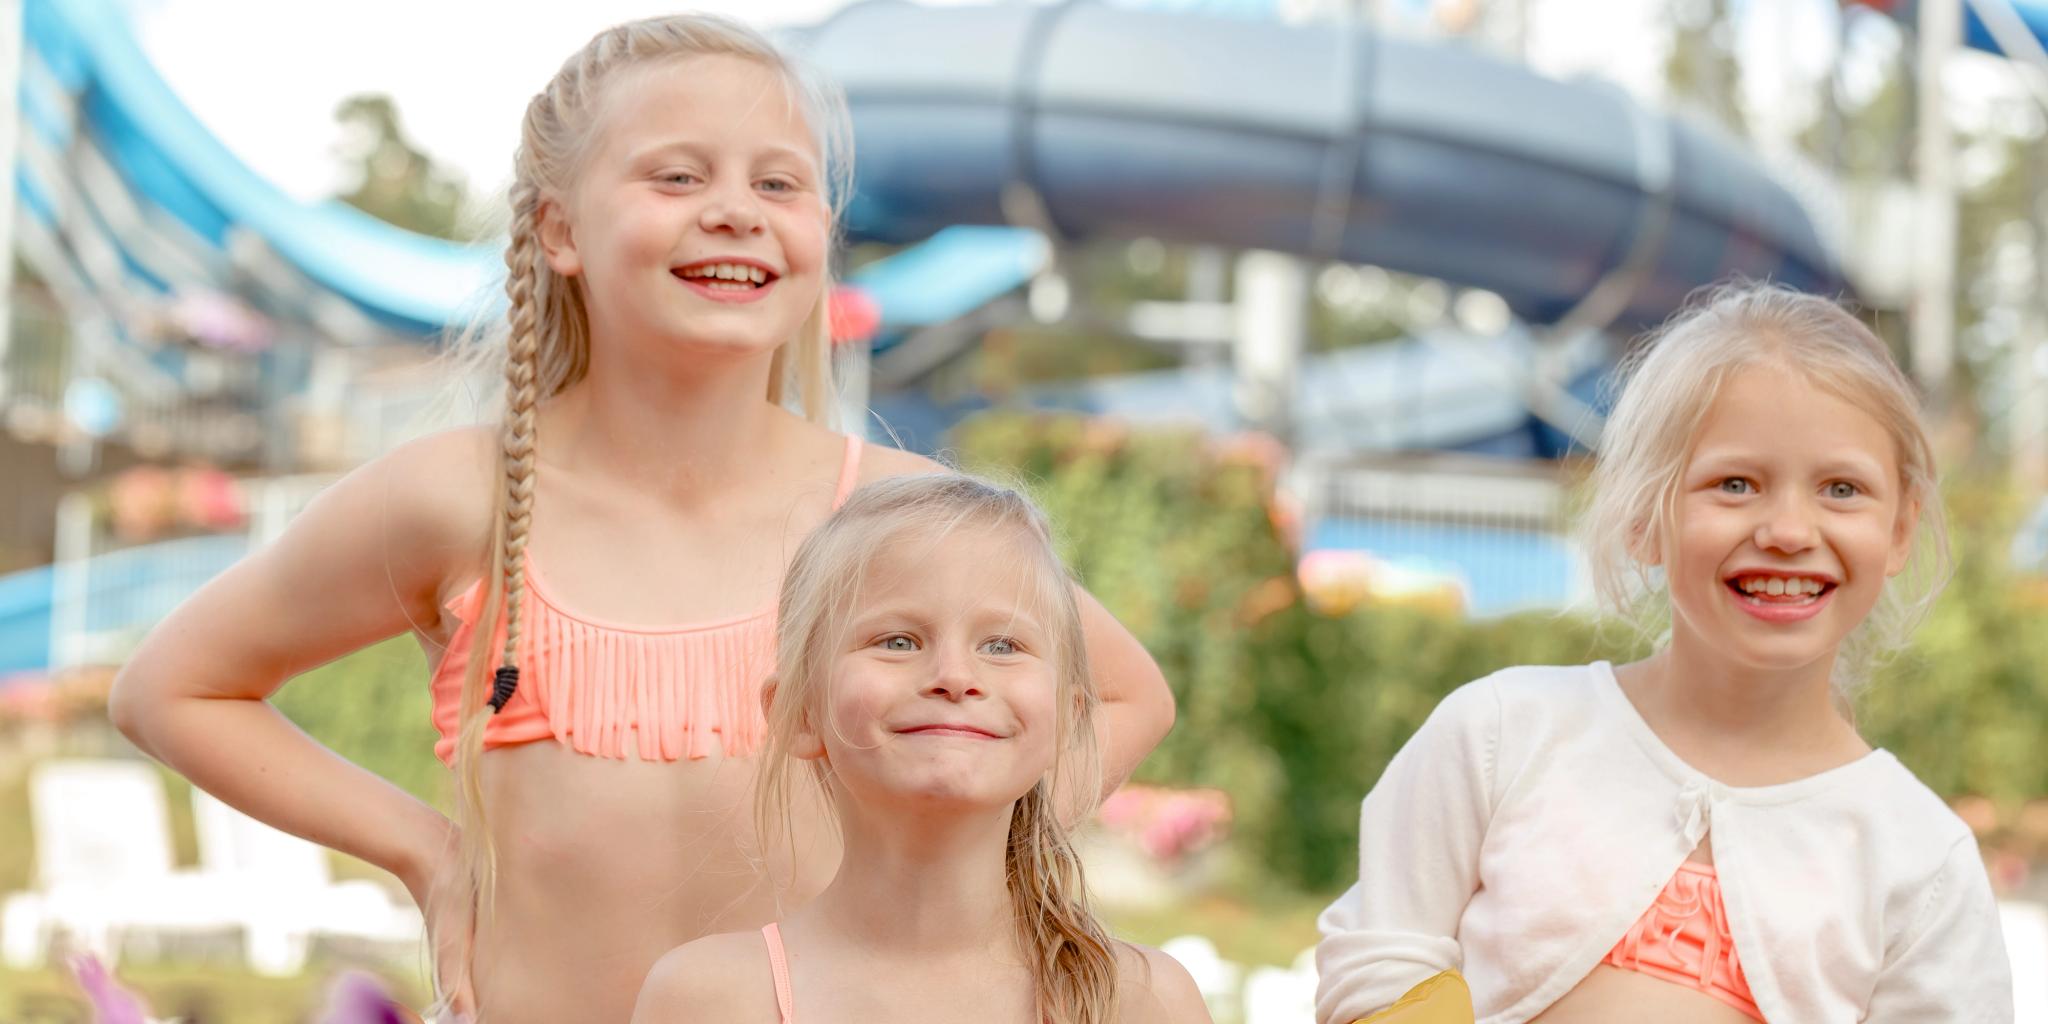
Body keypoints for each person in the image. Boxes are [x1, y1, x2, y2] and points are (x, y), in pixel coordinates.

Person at [107, 16, 1174, 1022]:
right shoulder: (461, 497)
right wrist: (425, 851)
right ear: (557, 229)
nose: (733, 209)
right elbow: (174, 687)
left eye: (777, 182)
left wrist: (944, 848)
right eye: (676, 175)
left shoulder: (891, 515)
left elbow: (1125, 692)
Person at [1314, 284, 2012, 1023]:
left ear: (1900, 530)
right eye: (1735, 484)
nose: (1788, 529)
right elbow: (1378, 956)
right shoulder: (1498, 737)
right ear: (1647, 515)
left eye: (1841, 489)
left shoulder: (1920, 862)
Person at [632, 473, 1209, 1024]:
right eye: (899, 640)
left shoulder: (1144, 1002)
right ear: (802, 711)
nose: (955, 675)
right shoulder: (706, 1002)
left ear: (1068, 719)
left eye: (1003, 644)